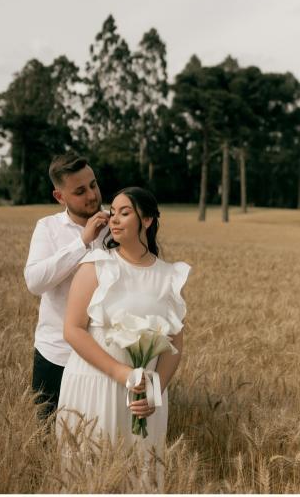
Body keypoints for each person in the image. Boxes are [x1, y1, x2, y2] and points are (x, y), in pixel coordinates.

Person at [56, 186, 190, 482]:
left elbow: (175, 343)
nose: (113, 220)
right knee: (90, 475)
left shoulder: (170, 276)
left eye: (124, 213)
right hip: (95, 386)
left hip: (144, 399)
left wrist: (155, 392)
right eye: (112, 212)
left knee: (139, 478)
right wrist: (121, 373)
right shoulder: (97, 266)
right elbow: (73, 330)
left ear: (147, 221)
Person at [24, 151, 110, 418]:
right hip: (56, 354)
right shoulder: (48, 228)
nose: (92, 195)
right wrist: (82, 242)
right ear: (60, 197)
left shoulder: (116, 225)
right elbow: (35, 282)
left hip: (104, 356)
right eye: (80, 191)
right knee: (47, 439)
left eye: (93, 185)